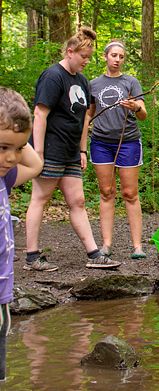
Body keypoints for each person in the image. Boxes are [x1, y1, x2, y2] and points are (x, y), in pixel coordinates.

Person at [25, 27, 120, 271]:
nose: (87, 61)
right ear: (70, 52)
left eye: (89, 57)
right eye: (83, 57)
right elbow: (40, 113)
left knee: (77, 201)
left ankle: (94, 254)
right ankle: (32, 257)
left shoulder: (81, 80)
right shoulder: (53, 76)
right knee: (41, 198)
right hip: (51, 148)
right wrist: (38, 153)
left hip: (70, 151)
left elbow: (83, 120)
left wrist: (82, 151)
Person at [82, 40, 148, 259]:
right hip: (100, 142)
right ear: (105, 57)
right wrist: (82, 143)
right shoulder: (93, 84)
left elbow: (143, 115)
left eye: (121, 56)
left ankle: (137, 246)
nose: (117, 60)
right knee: (106, 192)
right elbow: (89, 114)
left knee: (130, 193)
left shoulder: (131, 82)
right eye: (114, 56)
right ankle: (106, 245)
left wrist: (136, 106)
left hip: (128, 141)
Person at [0, 87, 44, 382]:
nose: (12, 158)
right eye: (3, 147)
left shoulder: (4, 177)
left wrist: (18, 131)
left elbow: (36, 164)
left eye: (18, 148)